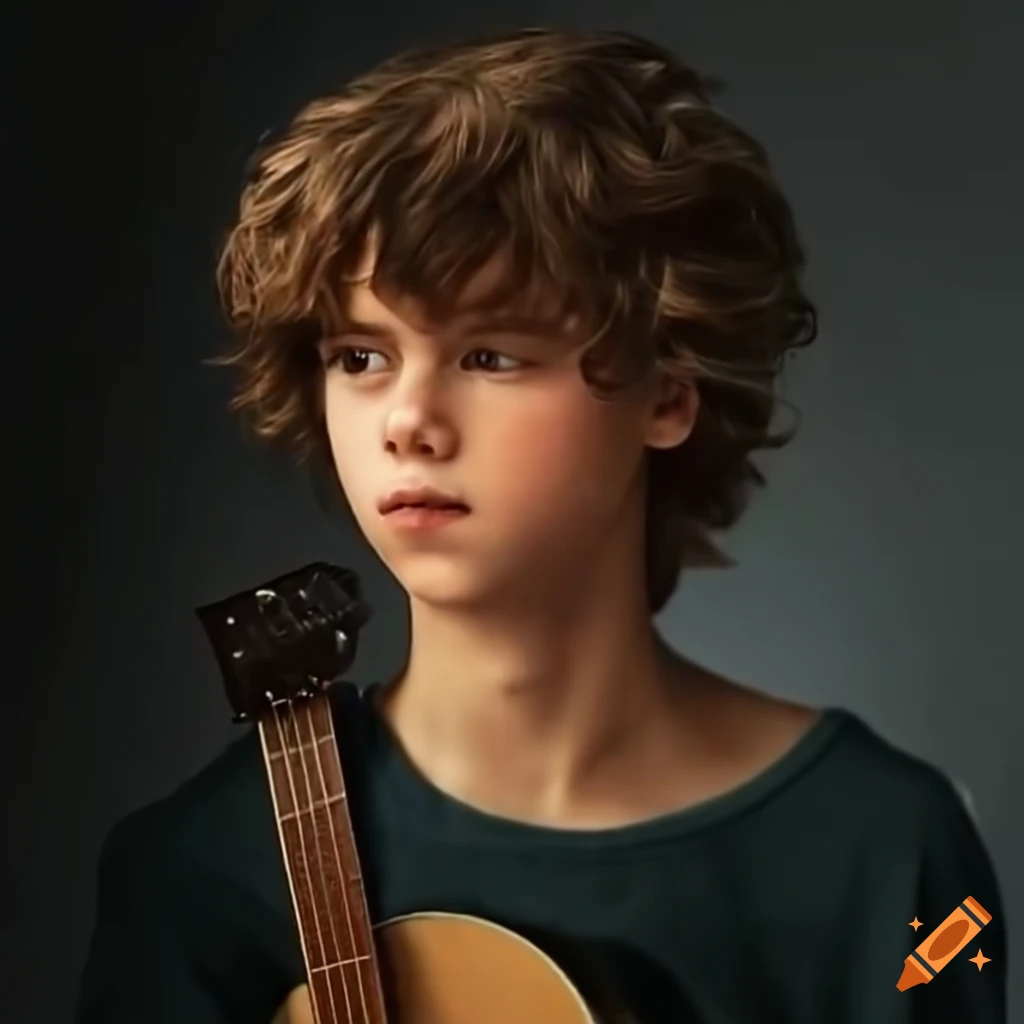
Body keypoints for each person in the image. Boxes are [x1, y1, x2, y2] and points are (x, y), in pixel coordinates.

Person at [76, 27, 1007, 1024]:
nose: (409, 423)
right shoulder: (204, 871)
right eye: (360, 356)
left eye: (490, 356)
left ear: (666, 391)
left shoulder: (884, 850)